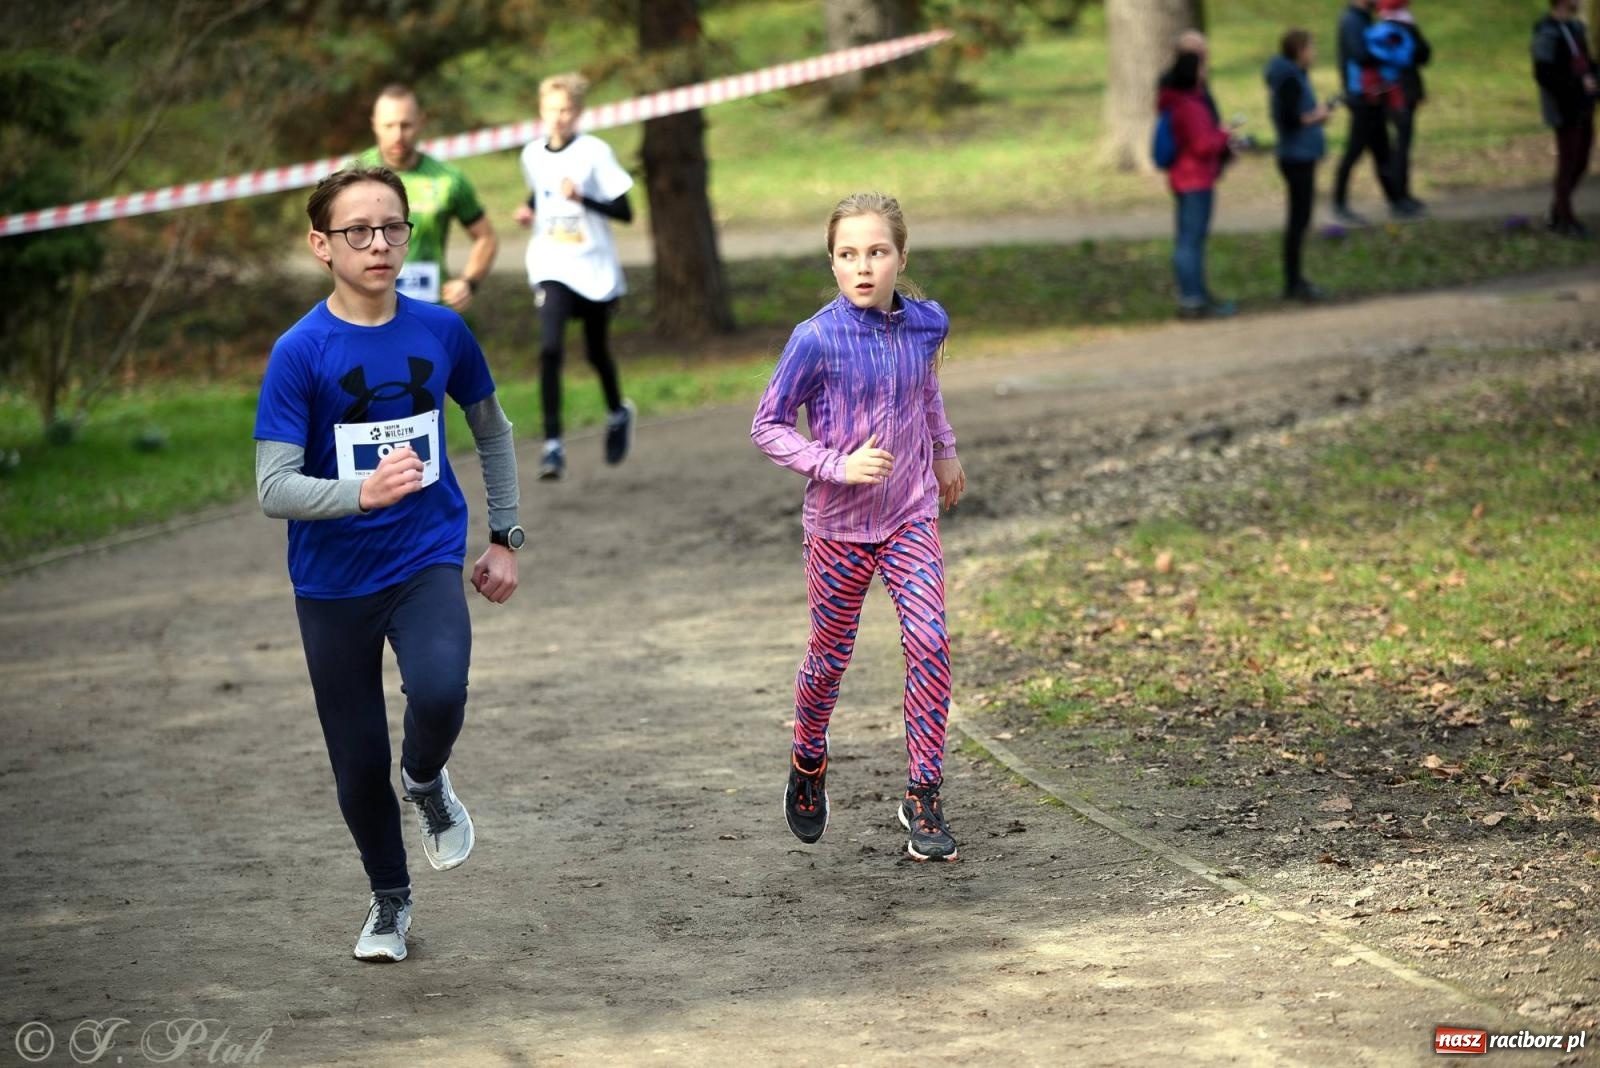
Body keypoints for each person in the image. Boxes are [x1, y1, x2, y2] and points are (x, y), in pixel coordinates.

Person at [254, 166, 523, 962]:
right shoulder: (300, 352)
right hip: (332, 581)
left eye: (393, 228)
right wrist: (358, 494)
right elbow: (273, 487)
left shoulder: (441, 331)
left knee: (440, 690)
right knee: (356, 758)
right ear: (320, 245)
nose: (379, 244)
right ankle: (389, 900)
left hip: (425, 557)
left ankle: (427, 779)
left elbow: (494, 430)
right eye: (358, 232)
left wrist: (505, 533)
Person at [751, 191, 968, 863]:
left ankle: (924, 792)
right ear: (833, 262)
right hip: (837, 529)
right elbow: (768, 426)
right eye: (848, 255)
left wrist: (946, 451)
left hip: (909, 515)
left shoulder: (927, 324)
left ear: (901, 257)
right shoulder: (814, 339)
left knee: (931, 642)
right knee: (828, 661)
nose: (863, 267)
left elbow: (925, 391)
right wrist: (834, 465)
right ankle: (809, 756)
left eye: (877, 252)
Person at [515, 72, 637, 481]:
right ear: (541, 111)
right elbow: (540, 190)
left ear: (579, 112)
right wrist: (529, 209)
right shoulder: (531, 154)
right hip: (551, 264)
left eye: (566, 109)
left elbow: (626, 212)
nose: (559, 117)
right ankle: (552, 446)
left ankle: (618, 411)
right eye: (552, 109)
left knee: (596, 352)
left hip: (594, 267)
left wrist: (582, 198)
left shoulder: (595, 153)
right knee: (550, 348)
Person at [357, 84, 498, 309]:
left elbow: (486, 237)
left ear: (421, 122)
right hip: (369, 309)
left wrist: (468, 282)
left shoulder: (448, 179)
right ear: (374, 124)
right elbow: (319, 237)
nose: (398, 135)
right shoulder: (352, 176)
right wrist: (351, 282)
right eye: (389, 125)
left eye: (406, 125)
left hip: (431, 307)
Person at [1158, 51, 1236, 320]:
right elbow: (1203, 145)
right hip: (1195, 179)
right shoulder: (1190, 106)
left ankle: (1194, 295)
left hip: (1186, 177)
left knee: (1188, 240)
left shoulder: (1180, 102)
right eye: (1202, 68)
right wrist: (1224, 134)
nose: (1205, 73)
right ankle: (1192, 299)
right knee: (1191, 241)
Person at [1332, 0, 1416, 223]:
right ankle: (1339, 205)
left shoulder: (1363, 19)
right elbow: (1360, 55)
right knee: (1354, 151)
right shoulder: (1351, 21)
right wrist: (1388, 50)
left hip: (1374, 97)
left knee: (1382, 151)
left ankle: (1396, 201)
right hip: (1361, 99)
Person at [1266, 29, 1334, 301]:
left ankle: (1295, 279)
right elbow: (1290, 119)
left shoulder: (1294, 77)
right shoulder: (1289, 80)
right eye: (1311, 48)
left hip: (1300, 155)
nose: (1314, 53)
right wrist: (1318, 115)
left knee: (1300, 219)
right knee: (1298, 220)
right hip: (1296, 157)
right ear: (1300, 50)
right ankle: (1293, 282)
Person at [1533, 0, 1598, 238]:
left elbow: (1587, 63)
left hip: (1584, 105)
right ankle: (1565, 220)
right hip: (1564, 108)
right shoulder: (1547, 32)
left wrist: (1592, 79)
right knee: (1567, 163)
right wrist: (1576, 85)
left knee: (1580, 162)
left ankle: (1557, 211)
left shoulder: (1576, 28)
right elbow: (1544, 73)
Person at [1372, 0, 1431, 213]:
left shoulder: (1377, 29)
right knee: (1401, 146)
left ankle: (1400, 195)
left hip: (1387, 93)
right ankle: (1400, 197)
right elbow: (1424, 54)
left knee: (1396, 145)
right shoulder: (1406, 27)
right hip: (1403, 93)